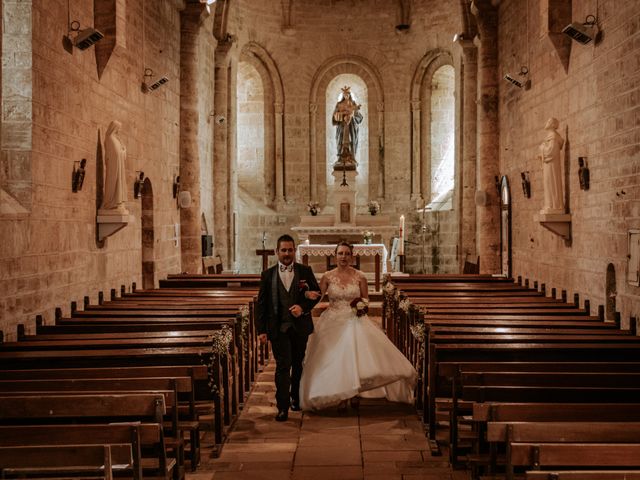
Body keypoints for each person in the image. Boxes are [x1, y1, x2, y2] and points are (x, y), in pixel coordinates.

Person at [299, 241, 417, 412]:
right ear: (335, 255)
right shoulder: (327, 276)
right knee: (333, 359)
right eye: (340, 253)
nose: (343, 257)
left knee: (353, 355)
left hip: (354, 319)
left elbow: (366, 299)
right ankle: (339, 393)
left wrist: (361, 306)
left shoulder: (360, 276)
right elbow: (317, 296)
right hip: (332, 320)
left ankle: (353, 393)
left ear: (352, 256)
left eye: (347, 254)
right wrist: (305, 296)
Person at [256, 234, 321, 421]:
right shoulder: (268, 275)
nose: (287, 253)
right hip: (278, 328)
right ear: (277, 252)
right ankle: (282, 406)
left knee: (298, 364)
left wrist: (303, 306)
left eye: (290, 250)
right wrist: (261, 330)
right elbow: (262, 304)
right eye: (283, 250)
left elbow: (317, 294)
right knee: (283, 366)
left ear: (295, 251)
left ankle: (295, 398)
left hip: (300, 327)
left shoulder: (305, 271)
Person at [101, 120, 128, 214]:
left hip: (119, 167)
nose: (119, 130)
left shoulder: (116, 139)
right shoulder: (110, 138)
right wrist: (123, 151)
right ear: (114, 128)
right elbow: (115, 153)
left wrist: (123, 150)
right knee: (113, 182)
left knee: (118, 183)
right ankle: (110, 203)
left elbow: (118, 152)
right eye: (118, 128)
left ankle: (117, 202)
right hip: (114, 167)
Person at [332, 86, 363, 165]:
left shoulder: (353, 104)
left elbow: (359, 117)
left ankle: (352, 158)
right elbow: (334, 117)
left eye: (348, 94)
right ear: (343, 95)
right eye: (345, 94)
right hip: (342, 126)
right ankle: (340, 158)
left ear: (350, 95)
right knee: (340, 141)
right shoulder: (339, 104)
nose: (346, 96)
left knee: (352, 140)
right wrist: (343, 114)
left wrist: (352, 115)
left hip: (351, 126)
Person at [540, 117, 564, 214]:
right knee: (548, 183)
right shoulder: (551, 136)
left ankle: (554, 206)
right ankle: (550, 205)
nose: (547, 122)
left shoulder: (553, 136)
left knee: (551, 182)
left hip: (551, 164)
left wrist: (542, 148)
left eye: (549, 121)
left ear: (553, 124)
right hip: (548, 164)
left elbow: (551, 151)